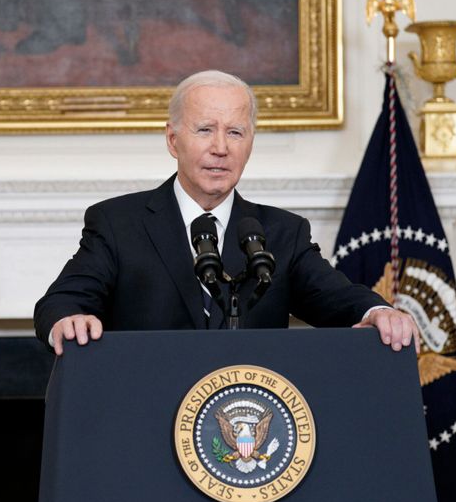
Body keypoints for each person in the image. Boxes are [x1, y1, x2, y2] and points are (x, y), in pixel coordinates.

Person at [34, 70, 418, 355]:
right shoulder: (119, 223)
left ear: (250, 143)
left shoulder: (282, 233)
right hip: (145, 419)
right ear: (173, 140)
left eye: (235, 132)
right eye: (205, 130)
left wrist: (377, 311)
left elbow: (338, 297)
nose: (221, 147)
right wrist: (67, 320)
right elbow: (60, 303)